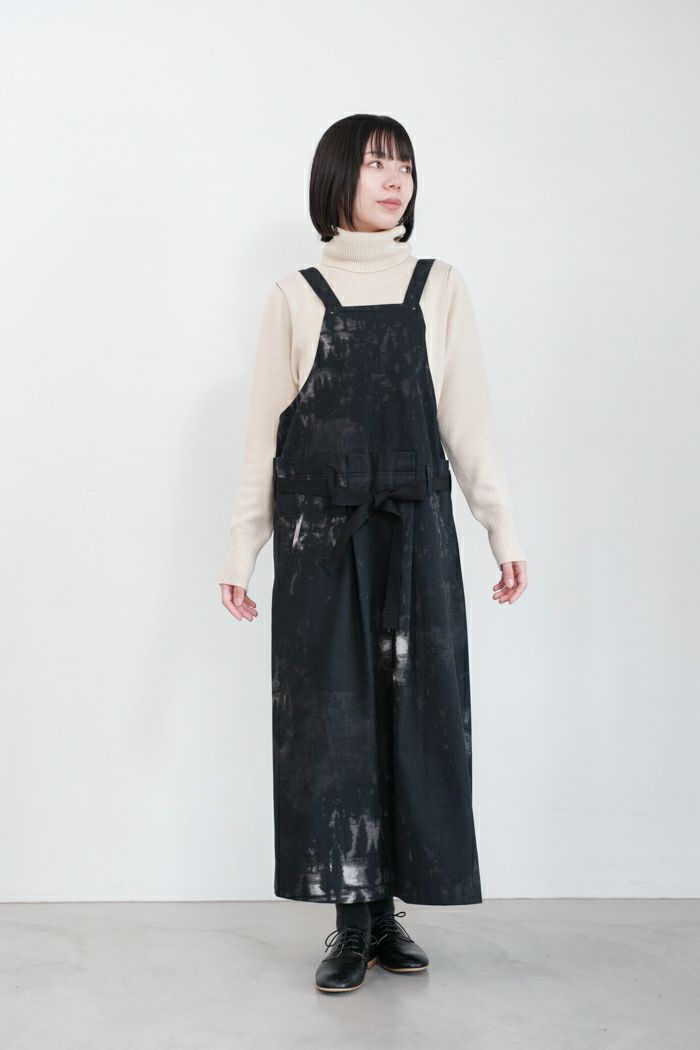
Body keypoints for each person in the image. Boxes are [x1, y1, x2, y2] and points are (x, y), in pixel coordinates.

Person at [219, 114, 528, 993]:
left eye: (404, 166)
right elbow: (264, 438)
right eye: (375, 165)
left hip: (417, 529)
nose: (395, 181)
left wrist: (501, 529)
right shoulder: (294, 295)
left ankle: (388, 912)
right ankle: (351, 923)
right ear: (336, 179)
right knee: (331, 724)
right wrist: (240, 551)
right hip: (320, 539)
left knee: (418, 714)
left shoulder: (441, 286)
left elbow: (468, 420)